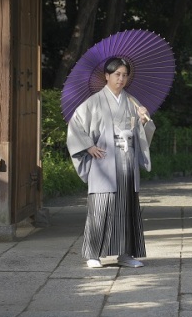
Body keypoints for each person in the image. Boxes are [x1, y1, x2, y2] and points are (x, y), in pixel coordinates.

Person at [66, 56, 156, 268]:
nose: (121, 79)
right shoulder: (94, 101)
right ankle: (93, 254)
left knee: (126, 204)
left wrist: (143, 121)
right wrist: (88, 145)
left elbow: (142, 134)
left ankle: (125, 254)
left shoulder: (132, 102)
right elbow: (75, 125)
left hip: (127, 159)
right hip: (104, 159)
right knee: (101, 205)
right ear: (107, 76)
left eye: (125, 75)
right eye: (117, 74)